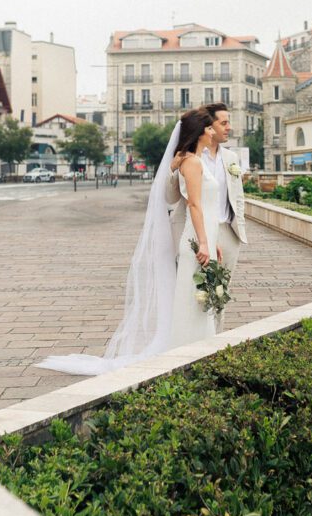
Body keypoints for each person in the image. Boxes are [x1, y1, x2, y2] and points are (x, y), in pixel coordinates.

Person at [37, 108, 224, 376]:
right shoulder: (192, 163)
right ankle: (186, 353)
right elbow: (194, 204)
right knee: (192, 299)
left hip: (204, 237)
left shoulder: (194, 160)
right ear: (198, 132)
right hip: (196, 240)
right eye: (208, 128)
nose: (212, 132)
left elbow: (203, 203)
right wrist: (204, 243)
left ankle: (198, 350)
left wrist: (213, 240)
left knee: (196, 299)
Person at [165, 104, 247, 329]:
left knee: (220, 291)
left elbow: (238, 195)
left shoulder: (230, 157)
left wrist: (238, 223)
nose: (228, 127)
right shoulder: (189, 159)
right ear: (207, 127)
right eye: (223, 123)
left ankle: (215, 337)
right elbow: (175, 199)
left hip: (226, 231)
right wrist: (172, 170)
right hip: (196, 232)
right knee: (195, 292)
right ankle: (196, 339)